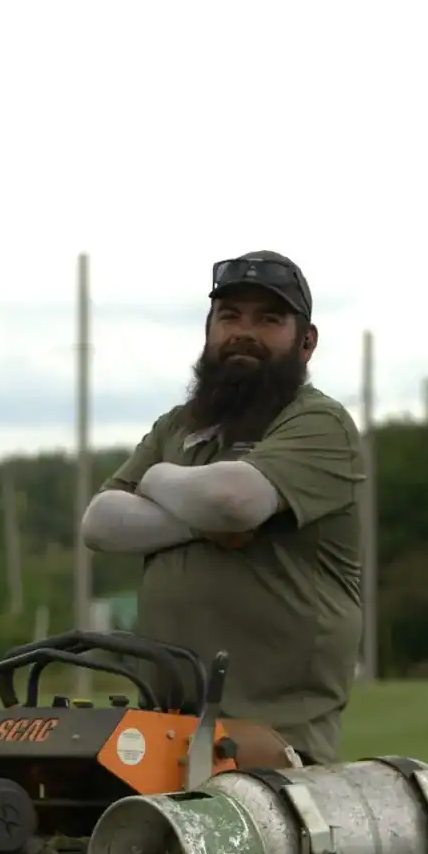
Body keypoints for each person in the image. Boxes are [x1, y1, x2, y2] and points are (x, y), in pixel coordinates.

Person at [80, 251, 365, 763]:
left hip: (275, 741)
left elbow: (234, 501)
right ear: (209, 331)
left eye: (269, 319)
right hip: (164, 732)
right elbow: (100, 523)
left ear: (306, 341)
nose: (244, 332)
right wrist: (202, 520)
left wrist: (156, 479)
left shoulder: (322, 424)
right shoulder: (180, 425)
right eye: (229, 316)